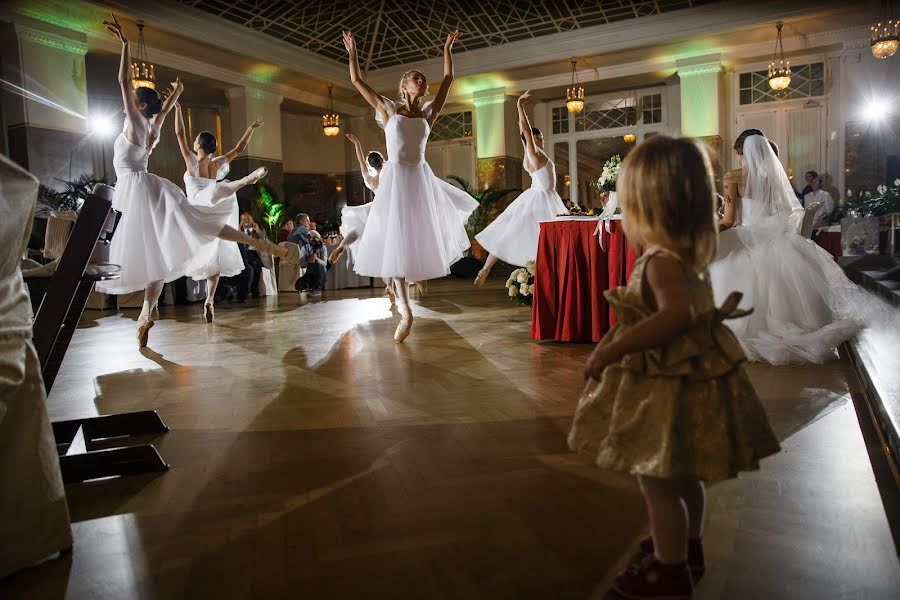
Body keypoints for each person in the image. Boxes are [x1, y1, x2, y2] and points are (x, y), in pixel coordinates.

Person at [568, 135, 780, 599]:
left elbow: (675, 316)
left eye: (627, 204)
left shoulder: (661, 261)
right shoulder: (686, 255)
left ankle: (669, 571)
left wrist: (611, 350)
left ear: (650, 208)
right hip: (689, 378)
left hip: (665, 383)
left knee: (657, 480)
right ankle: (688, 547)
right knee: (683, 475)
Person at [95, 15, 297, 347]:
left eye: (135, 98)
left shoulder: (135, 122)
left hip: (135, 190)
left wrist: (126, 46)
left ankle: (149, 310)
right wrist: (177, 95)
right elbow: (164, 114)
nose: (129, 100)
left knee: (179, 236)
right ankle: (147, 312)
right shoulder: (152, 127)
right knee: (171, 243)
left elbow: (122, 80)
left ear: (140, 104)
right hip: (146, 189)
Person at [342, 28, 477, 341]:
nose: (422, 80)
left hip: (420, 179)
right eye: (417, 77)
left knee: (417, 237)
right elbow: (357, 82)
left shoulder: (429, 114)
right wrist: (353, 53)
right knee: (395, 242)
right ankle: (405, 310)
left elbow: (448, 81)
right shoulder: (389, 109)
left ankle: (415, 284)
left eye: (423, 79)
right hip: (395, 180)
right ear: (404, 85)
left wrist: (447, 47)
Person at [711, 131, 863, 364]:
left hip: (751, 234)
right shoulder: (774, 178)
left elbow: (729, 220)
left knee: (718, 259)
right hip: (774, 235)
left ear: (739, 152)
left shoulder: (733, 177)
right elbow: (783, 212)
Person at [174, 101, 266, 322]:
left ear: (198, 145)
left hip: (196, 211)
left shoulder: (192, 161)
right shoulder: (217, 164)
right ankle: (209, 300)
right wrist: (250, 129)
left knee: (187, 248)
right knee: (213, 259)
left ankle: (243, 181)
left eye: (195, 140)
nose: (193, 142)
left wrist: (177, 109)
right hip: (212, 210)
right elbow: (239, 149)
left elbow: (178, 133)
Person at [474, 90, 566, 286]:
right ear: (531, 140)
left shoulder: (533, 155)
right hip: (541, 199)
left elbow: (523, 131)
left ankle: (488, 268)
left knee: (512, 233)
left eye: (540, 137)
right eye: (538, 137)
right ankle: (488, 269)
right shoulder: (534, 155)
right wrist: (519, 107)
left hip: (542, 197)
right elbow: (524, 129)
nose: (541, 139)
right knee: (521, 236)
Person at [288, 213, 328, 294]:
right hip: (303, 257)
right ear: (302, 221)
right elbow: (315, 240)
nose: (309, 223)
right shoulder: (303, 229)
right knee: (321, 257)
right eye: (308, 221)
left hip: (292, 257)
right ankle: (319, 284)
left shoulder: (292, 230)